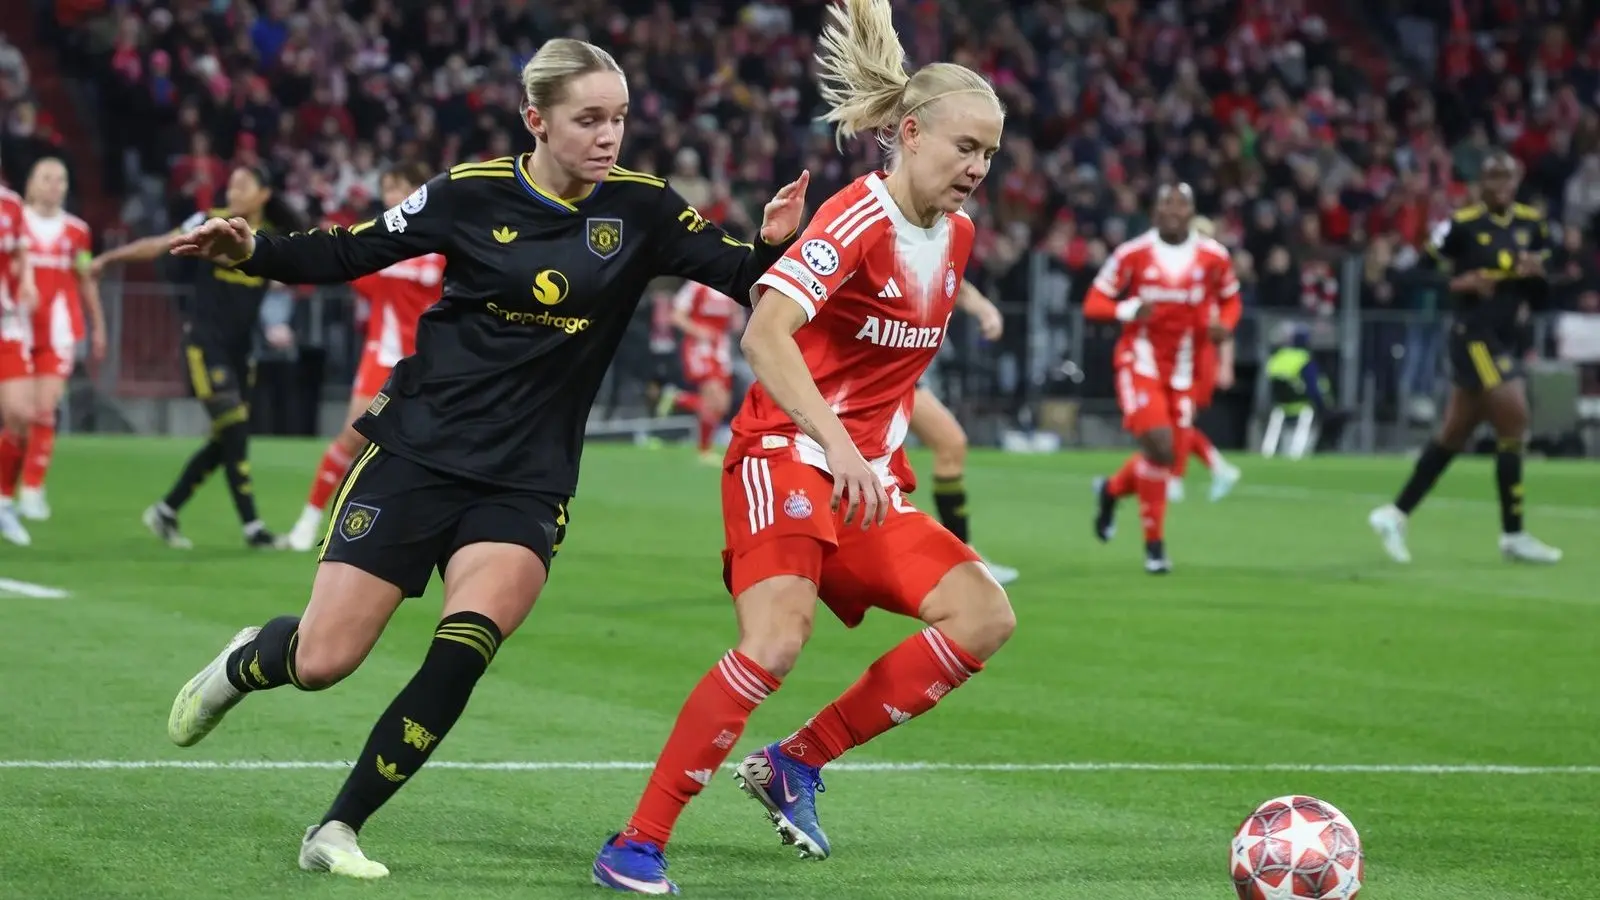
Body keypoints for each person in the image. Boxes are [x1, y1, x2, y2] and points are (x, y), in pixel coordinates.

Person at [161, 37, 808, 880]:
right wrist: (254, 252)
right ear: (536, 119)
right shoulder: (469, 192)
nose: (609, 136)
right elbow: (350, 249)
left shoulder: (643, 208)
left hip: (527, 479)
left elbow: (742, 280)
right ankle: (245, 662)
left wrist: (772, 246)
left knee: (465, 644)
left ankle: (338, 828)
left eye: (618, 118)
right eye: (588, 119)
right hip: (418, 452)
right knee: (322, 661)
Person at [593, 1, 1014, 892]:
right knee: (776, 641)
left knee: (984, 615)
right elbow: (764, 335)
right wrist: (840, 445)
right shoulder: (855, 218)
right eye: (965, 147)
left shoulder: (959, 235)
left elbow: (882, 366)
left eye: (989, 153)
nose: (978, 168)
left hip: (865, 481)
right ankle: (636, 843)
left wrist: (873, 456)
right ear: (910, 134)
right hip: (783, 452)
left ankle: (796, 762)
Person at [1369, 152, 1561, 564]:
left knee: (1454, 435)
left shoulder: (1532, 225)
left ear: (1517, 181)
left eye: (1507, 178)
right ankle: (1513, 534)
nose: (1500, 186)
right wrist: (1460, 283)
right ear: (1480, 183)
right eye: (1493, 178)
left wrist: (1537, 276)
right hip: (1473, 336)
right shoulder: (1461, 224)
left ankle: (1394, 514)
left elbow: (1542, 295)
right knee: (1515, 416)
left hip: (1506, 337)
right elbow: (1413, 273)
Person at [92, 164, 296, 549]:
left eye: (243, 185)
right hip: (205, 344)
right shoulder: (210, 222)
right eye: (231, 184)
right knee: (235, 429)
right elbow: (160, 244)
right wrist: (110, 258)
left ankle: (166, 510)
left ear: (264, 194)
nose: (233, 191)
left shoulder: (272, 237)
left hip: (241, 351)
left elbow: (299, 272)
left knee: (225, 440)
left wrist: (277, 322)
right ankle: (254, 528)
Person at [284, 162, 444, 551]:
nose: (392, 196)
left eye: (400, 187)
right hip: (383, 354)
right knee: (353, 435)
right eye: (387, 188)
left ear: (418, 191)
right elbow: (348, 267)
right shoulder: (379, 241)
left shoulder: (443, 243)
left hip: (430, 361)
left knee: (431, 447)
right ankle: (308, 520)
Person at [1083, 184, 1239, 574]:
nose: (1172, 210)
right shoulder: (1133, 253)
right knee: (1161, 445)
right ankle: (1155, 547)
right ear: (1154, 212)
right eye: (1165, 203)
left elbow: (1231, 300)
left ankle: (1111, 490)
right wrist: (1127, 309)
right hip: (1141, 362)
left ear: (1192, 212)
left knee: (1166, 458)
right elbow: (1094, 302)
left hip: (1186, 369)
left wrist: (1226, 326)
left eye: (1180, 204)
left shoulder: (1214, 256)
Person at [0, 158, 105, 520]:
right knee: (18, 414)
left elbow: (85, 278)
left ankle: (32, 489)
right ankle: (5, 491)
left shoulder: (78, 231)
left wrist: (99, 324)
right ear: (31, 183)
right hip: (17, 325)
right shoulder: (14, 219)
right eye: (46, 178)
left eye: (61, 179)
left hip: (58, 329)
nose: (54, 185)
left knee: (44, 409)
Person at [910, 281, 1017, 584]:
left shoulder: (935, 255)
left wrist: (984, 309)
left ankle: (961, 558)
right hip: (865, 367)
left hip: (900, 371)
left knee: (950, 444)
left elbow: (953, 279)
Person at [664, 278, 742, 463]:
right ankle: (704, 451)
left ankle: (678, 398)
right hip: (699, 348)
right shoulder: (696, 286)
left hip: (721, 350)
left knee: (722, 405)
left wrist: (737, 316)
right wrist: (697, 330)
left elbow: (737, 322)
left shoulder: (731, 287)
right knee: (713, 397)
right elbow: (676, 316)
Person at [0, 169, 36, 545]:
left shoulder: (10, 205)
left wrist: (26, 280)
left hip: (6, 323)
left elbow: (21, 252)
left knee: (21, 415)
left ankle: (4, 502)